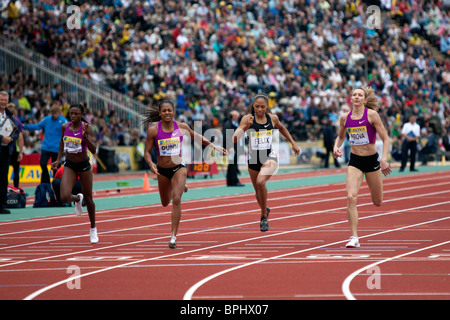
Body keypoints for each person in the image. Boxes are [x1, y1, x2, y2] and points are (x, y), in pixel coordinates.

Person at [142, 100, 227, 249]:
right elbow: (147, 152)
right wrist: (151, 164)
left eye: (170, 110)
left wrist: (214, 146)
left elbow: (198, 137)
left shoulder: (182, 127)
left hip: (179, 167)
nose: (167, 113)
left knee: (176, 199)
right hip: (162, 170)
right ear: (160, 113)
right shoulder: (153, 130)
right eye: (164, 111)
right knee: (164, 202)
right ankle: (180, 186)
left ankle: (173, 237)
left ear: (174, 112)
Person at [333, 87, 392, 248]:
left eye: (360, 95)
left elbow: (386, 139)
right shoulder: (345, 118)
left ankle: (355, 236)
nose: (356, 97)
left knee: (378, 201)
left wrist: (384, 159)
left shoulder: (372, 115)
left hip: (372, 161)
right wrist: (335, 147)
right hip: (355, 161)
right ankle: (354, 237)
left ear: (365, 100)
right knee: (351, 197)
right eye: (354, 95)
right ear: (350, 99)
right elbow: (340, 136)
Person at [233, 93, 300, 232]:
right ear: (253, 106)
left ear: (267, 107)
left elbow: (282, 128)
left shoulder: (273, 118)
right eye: (256, 106)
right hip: (253, 159)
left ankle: (263, 216)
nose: (259, 109)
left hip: (269, 156)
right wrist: (245, 127)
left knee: (260, 182)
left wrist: (293, 143)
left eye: (262, 107)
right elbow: (234, 138)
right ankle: (265, 208)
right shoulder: (247, 118)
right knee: (257, 192)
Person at [51, 104, 98, 244]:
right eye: (71, 113)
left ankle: (93, 228)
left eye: (76, 114)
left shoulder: (86, 128)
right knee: (64, 197)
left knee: (89, 199)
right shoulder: (65, 127)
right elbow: (61, 143)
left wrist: (86, 138)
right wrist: (58, 160)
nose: (73, 116)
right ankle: (77, 198)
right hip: (70, 165)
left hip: (84, 165)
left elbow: (94, 149)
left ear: (82, 114)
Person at [23, 104, 67, 183]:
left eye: (56, 113)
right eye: (52, 113)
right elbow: (37, 126)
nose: (54, 115)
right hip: (46, 147)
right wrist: (24, 126)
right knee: (42, 164)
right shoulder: (47, 119)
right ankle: (46, 181)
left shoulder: (63, 121)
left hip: (57, 149)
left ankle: (56, 183)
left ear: (59, 112)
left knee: (56, 168)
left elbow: (68, 132)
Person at [0, 91, 20, 214]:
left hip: (6, 150)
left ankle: (1, 205)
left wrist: (11, 138)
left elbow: (16, 131)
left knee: (3, 179)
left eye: (5, 100)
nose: (3, 102)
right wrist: (1, 138)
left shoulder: (9, 114)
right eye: (1, 99)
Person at [222, 110, 244, 186]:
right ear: (233, 116)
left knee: (233, 164)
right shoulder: (228, 124)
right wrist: (230, 147)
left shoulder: (237, 124)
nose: (238, 117)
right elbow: (227, 137)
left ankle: (231, 181)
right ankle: (233, 180)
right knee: (232, 164)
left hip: (236, 146)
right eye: (236, 116)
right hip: (231, 147)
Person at [6, 103, 23, 188]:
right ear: (15, 112)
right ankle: (16, 188)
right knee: (16, 171)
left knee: (5, 171)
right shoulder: (18, 121)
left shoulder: (3, 120)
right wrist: (21, 152)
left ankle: (4, 190)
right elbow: (20, 138)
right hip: (15, 150)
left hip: (5, 149)